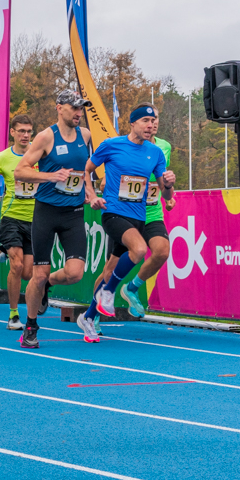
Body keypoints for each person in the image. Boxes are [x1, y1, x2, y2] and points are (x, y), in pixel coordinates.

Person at [76, 103, 175, 342]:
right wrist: (91, 196)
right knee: (139, 249)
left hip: (139, 217)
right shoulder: (112, 145)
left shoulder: (156, 152)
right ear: (133, 123)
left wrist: (169, 185)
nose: (150, 126)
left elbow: (165, 193)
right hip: (113, 213)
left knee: (110, 270)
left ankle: (88, 317)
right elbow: (86, 170)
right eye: (145, 122)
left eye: (153, 122)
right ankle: (108, 294)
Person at [14, 90, 94, 349]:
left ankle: (48, 284)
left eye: (81, 109)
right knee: (38, 274)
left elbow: (86, 172)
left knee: (75, 273)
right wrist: (50, 176)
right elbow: (20, 171)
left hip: (73, 213)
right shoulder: (46, 136)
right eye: (74, 108)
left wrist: (88, 191)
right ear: (59, 108)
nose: (78, 113)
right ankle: (31, 326)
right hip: (46, 211)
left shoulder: (85, 136)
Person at [0, 114, 36, 330]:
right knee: (18, 265)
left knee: (29, 273)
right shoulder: (3, 157)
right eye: (21, 131)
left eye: (29, 131)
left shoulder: (39, 153)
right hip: (11, 217)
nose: (25, 135)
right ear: (12, 132)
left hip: (36, 218)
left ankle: (39, 290)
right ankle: (13, 314)